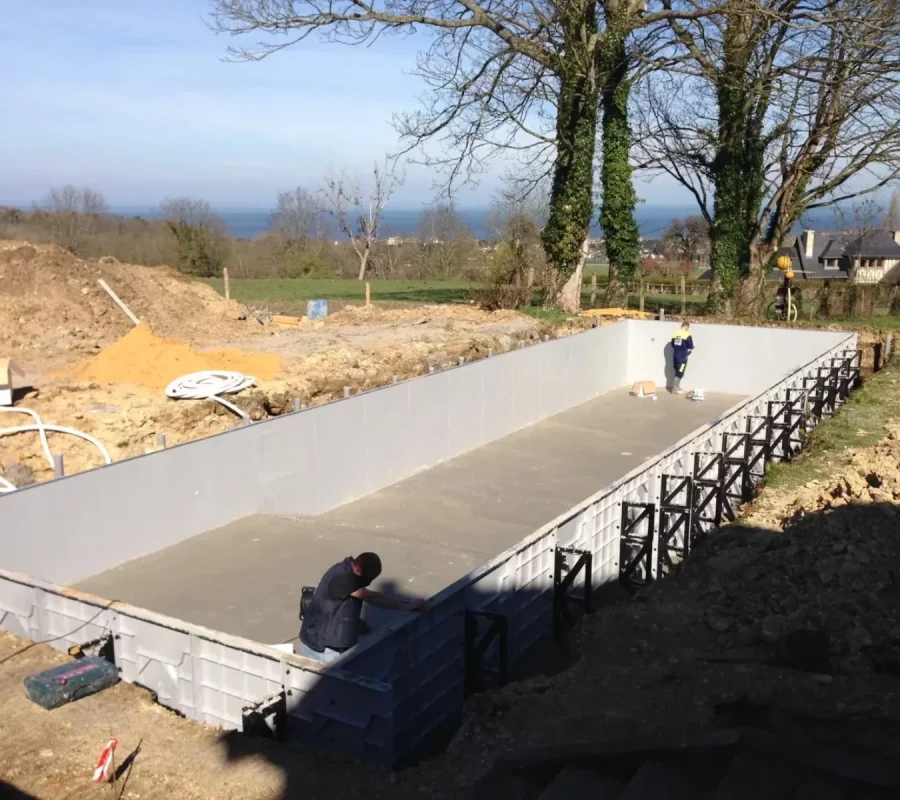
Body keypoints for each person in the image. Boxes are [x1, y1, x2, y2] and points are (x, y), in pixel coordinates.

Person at [298, 552, 426, 663]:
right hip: (322, 649)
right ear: (359, 571)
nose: (368, 583)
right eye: (368, 579)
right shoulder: (344, 579)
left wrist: (356, 623)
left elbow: (338, 604)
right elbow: (373, 598)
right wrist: (406, 606)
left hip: (317, 638)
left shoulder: (345, 568)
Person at [671, 321, 695, 394]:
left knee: (677, 370)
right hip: (683, 357)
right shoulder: (687, 334)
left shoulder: (675, 333)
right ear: (687, 327)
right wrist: (692, 347)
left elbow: (672, 344)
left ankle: (677, 386)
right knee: (681, 371)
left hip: (675, 355)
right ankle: (675, 389)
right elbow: (690, 346)